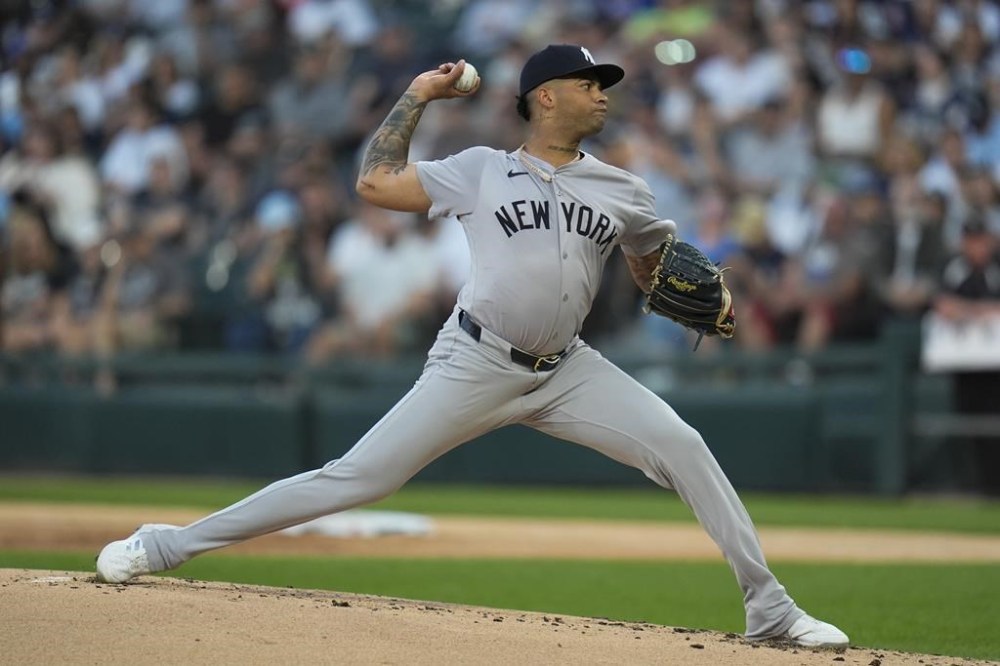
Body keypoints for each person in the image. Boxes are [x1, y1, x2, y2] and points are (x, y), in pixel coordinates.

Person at [95, 44, 849, 648]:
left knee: (683, 444)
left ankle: (771, 610)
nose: (604, 93)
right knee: (357, 478)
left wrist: (677, 286)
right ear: (545, 96)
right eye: (590, 83)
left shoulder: (626, 190)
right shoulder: (482, 169)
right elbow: (375, 181)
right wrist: (419, 95)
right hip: (476, 361)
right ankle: (167, 544)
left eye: (605, 83)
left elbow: (652, 264)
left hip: (569, 371)